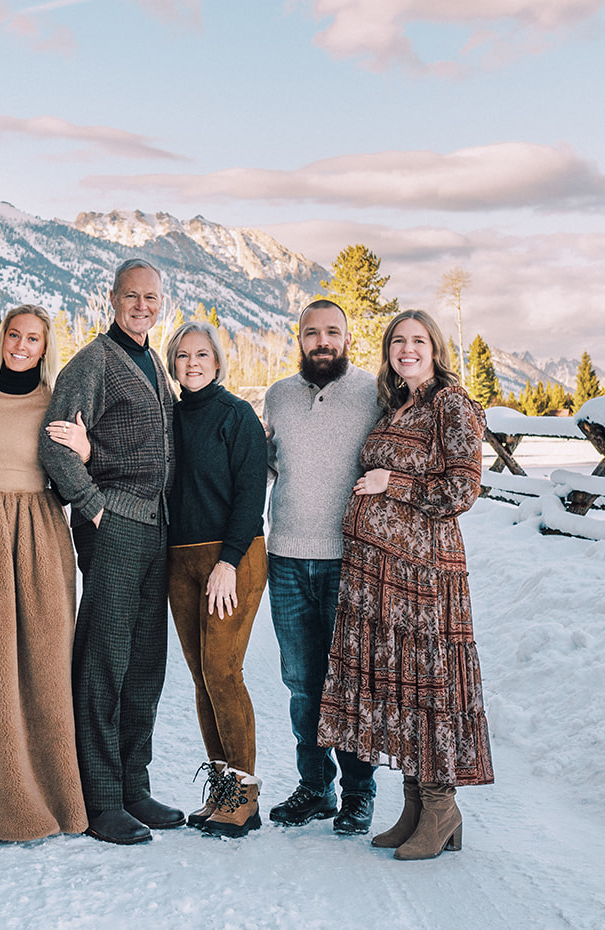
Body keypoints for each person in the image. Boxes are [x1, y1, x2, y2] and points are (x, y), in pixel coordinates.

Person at [317, 309, 494, 861]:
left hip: (424, 573)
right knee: (402, 684)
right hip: (381, 573)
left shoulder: (450, 403)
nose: (407, 349)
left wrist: (391, 482)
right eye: (399, 341)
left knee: (427, 682)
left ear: (435, 348)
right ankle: (417, 806)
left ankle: (442, 807)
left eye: (418, 341)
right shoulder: (399, 404)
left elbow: (461, 491)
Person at [39, 259, 178, 846]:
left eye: (151, 298)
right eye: (132, 296)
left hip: (157, 529)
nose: (142, 306)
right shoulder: (94, 362)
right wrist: (92, 504)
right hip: (115, 523)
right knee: (104, 661)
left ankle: (133, 786)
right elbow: (54, 441)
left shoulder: (154, 360)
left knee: (146, 661)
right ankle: (98, 800)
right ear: (112, 298)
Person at [0, 305, 87, 841]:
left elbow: (79, 471)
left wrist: (87, 450)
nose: (22, 346)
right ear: (1, 337)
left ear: (46, 348)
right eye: (14, 335)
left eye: (34, 339)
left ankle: (55, 800)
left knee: (45, 672)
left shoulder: (59, 404)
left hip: (40, 541)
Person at [262, 299, 381, 835]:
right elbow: (264, 466)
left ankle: (359, 791)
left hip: (349, 560)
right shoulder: (279, 397)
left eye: (333, 331)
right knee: (302, 683)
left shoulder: (375, 393)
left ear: (349, 337)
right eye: (312, 333)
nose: (322, 341)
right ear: (300, 339)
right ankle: (316, 787)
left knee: (352, 683)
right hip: (286, 557)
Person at [160, 321, 269, 838]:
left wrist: (228, 561)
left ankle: (244, 796)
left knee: (224, 672)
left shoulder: (236, 416)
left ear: (218, 360)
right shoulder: (170, 417)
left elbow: (251, 495)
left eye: (202, 354)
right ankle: (222, 789)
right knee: (202, 676)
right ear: (172, 363)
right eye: (183, 356)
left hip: (234, 558)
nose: (193, 363)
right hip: (180, 560)